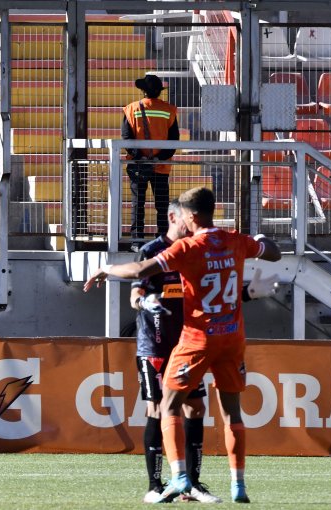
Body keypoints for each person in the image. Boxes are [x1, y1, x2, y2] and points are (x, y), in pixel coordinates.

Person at [84, 187, 281, 504]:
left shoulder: (188, 248)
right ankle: (234, 485)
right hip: (222, 339)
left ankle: (182, 479)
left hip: (196, 340)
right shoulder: (234, 239)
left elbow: (138, 270)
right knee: (229, 413)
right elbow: (273, 252)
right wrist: (258, 243)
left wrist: (107, 268)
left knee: (173, 407)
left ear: (189, 216)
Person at [122, 74, 180, 247]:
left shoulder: (131, 109)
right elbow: (173, 140)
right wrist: (157, 158)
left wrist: (140, 158)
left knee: (137, 204)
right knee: (162, 205)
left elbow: (126, 138)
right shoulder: (169, 110)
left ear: (143, 91)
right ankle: (163, 240)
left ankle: (136, 241)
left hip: (138, 166)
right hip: (161, 166)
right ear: (159, 92)